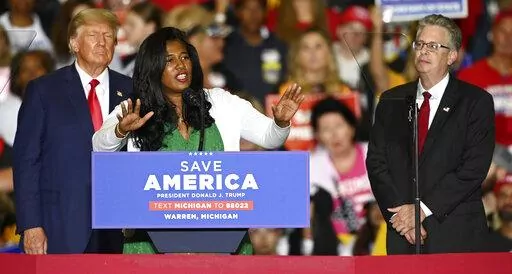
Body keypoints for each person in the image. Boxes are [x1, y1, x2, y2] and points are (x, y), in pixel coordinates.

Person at [92, 26, 304, 254]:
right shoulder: (136, 108)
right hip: (151, 244)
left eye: (184, 57)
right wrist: (121, 130)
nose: (181, 65)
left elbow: (268, 137)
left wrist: (280, 122)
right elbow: (99, 145)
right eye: (169, 60)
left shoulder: (221, 102)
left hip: (222, 241)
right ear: (153, 67)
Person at [366, 14, 495, 254]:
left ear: (452, 56)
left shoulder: (476, 102)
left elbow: (473, 169)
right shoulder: (390, 100)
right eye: (420, 44)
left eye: (434, 46)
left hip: (456, 235)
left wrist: (421, 210)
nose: (424, 51)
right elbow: (376, 163)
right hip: (403, 235)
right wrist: (402, 219)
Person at [13, 8, 131, 254]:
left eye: (108, 36)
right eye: (93, 35)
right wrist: (31, 224)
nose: (102, 42)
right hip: (61, 223)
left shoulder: (132, 90)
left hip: (121, 224)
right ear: (73, 43)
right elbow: (27, 161)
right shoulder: (44, 91)